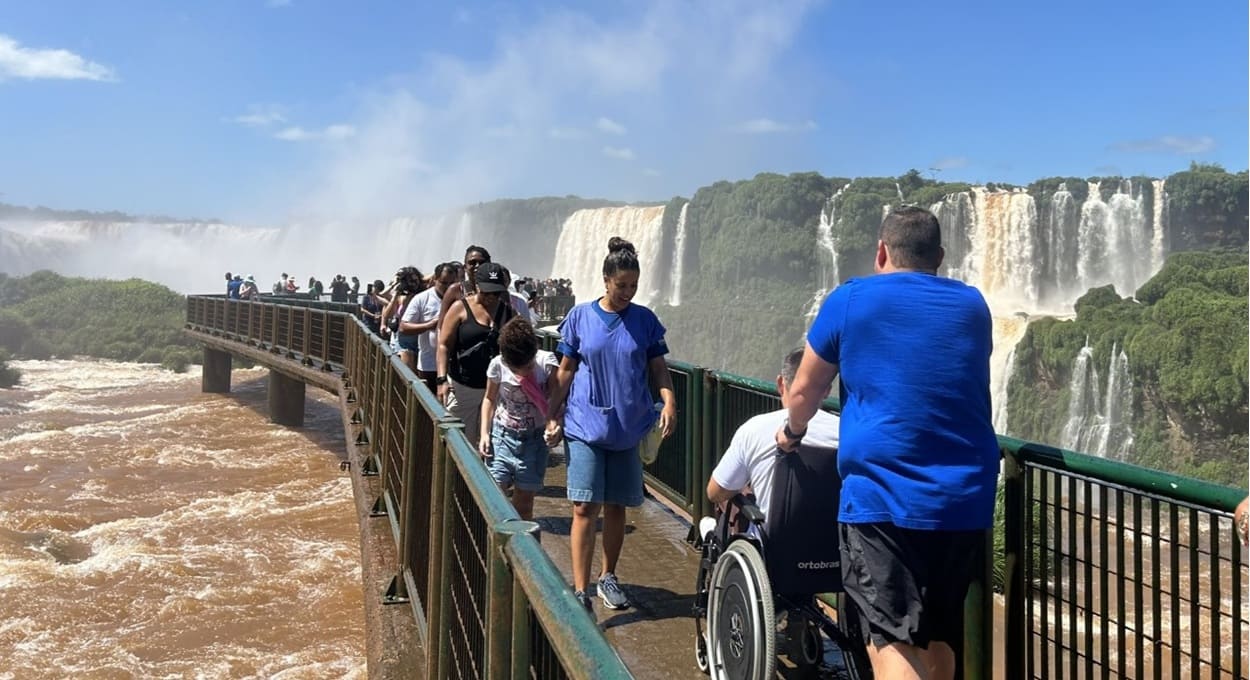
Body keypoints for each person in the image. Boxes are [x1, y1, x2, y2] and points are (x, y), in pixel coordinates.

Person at [775, 205, 998, 680]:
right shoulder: (974, 305)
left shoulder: (851, 299)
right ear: (939, 256)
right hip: (963, 501)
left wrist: (793, 433)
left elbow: (803, 392)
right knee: (938, 639)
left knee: (890, 641)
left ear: (881, 251)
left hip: (883, 499)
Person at [544, 237, 676, 614]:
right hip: (585, 424)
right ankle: (582, 589)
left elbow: (658, 369)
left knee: (617, 506)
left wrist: (669, 400)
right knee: (585, 506)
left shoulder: (645, 320)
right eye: (621, 286)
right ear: (605, 280)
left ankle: (608, 577)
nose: (627, 293)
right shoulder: (580, 317)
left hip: (627, 426)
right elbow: (566, 371)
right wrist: (551, 413)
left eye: (633, 286)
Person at [706, 348, 839, 537]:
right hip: (832, 549)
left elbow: (714, 492)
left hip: (771, 550)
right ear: (826, 390)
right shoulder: (843, 431)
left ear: (780, 384)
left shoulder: (754, 429)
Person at [479, 317, 559, 520]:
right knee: (495, 499)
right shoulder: (497, 365)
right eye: (515, 369)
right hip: (502, 436)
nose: (523, 372)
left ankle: (520, 546)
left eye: (527, 366)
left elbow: (558, 403)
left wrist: (556, 427)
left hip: (534, 440)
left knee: (524, 505)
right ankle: (495, 549)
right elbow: (489, 398)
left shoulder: (547, 363)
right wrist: (484, 433)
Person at [437, 262, 516, 451]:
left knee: (491, 442)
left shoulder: (507, 312)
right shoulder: (459, 308)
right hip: (462, 385)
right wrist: (441, 380)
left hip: (494, 388)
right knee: (459, 443)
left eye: (496, 293)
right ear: (477, 286)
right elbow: (443, 345)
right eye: (487, 292)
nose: (491, 298)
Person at [402, 262, 458, 394]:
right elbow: (403, 327)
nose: (448, 287)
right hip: (429, 365)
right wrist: (429, 325)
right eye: (444, 283)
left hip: (455, 366)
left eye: (451, 283)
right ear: (434, 280)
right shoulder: (422, 299)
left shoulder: (462, 299)